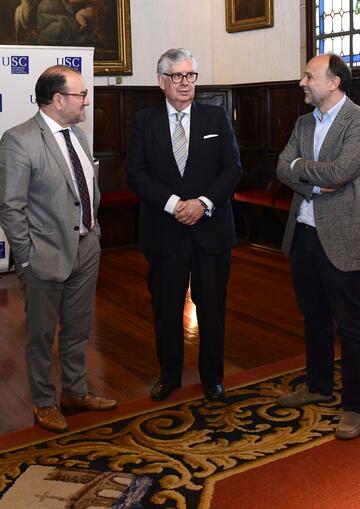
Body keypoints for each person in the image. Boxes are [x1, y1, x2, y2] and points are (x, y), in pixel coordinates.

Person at [0, 65, 116, 433]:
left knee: (79, 328)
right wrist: (27, 257)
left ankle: (76, 391)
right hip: (44, 256)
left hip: (86, 248)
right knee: (41, 334)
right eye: (81, 95)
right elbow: (11, 207)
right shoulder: (19, 140)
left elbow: (85, 192)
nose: (87, 101)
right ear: (58, 99)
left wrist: (92, 236)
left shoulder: (78, 135)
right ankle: (44, 402)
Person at [274, 53, 360, 440]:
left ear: (334, 82)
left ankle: (356, 405)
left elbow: (341, 171)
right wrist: (312, 178)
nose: (302, 82)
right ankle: (318, 386)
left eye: (309, 76)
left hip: (344, 238)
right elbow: (282, 167)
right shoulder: (305, 122)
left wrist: (302, 169)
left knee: (351, 324)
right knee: (313, 316)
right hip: (303, 234)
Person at [126, 48, 242, 402]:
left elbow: (232, 169)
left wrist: (202, 204)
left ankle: (213, 378)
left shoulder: (216, 118)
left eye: (190, 75)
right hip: (165, 232)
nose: (185, 83)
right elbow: (136, 173)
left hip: (211, 232)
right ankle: (169, 376)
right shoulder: (145, 121)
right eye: (177, 76)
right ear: (161, 81)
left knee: (213, 310)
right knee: (165, 308)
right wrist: (176, 204)